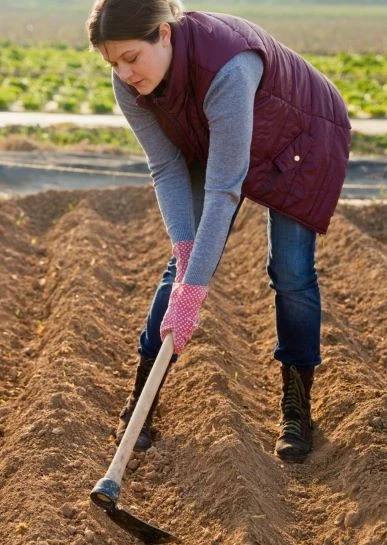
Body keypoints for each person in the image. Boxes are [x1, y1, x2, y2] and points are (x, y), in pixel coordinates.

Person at [86, 0, 351, 463]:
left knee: (290, 271)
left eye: (131, 58)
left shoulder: (228, 66)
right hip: (216, 135)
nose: (124, 73)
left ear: (164, 34)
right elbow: (166, 166)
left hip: (300, 138)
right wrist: (187, 255)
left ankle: (297, 405)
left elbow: (223, 189)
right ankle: (141, 400)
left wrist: (197, 291)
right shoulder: (129, 83)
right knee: (180, 267)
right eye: (113, 63)